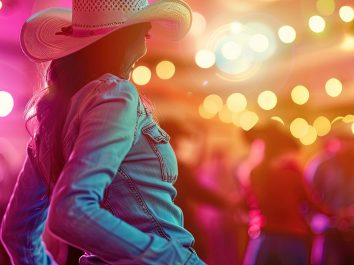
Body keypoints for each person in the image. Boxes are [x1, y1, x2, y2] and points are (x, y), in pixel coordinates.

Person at [0, 0, 206, 264]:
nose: (144, 49)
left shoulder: (53, 120)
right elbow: (70, 211)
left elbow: (17, 233)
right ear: (123, 39)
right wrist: (172, 258)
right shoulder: (116, 94)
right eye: (145, 35)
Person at [241, 122, 331, 265]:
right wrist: (334, 215)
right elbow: (309, 202)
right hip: (291, 236)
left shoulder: (255, 173)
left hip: (263, 236)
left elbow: (249, 203)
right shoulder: (291, 172)